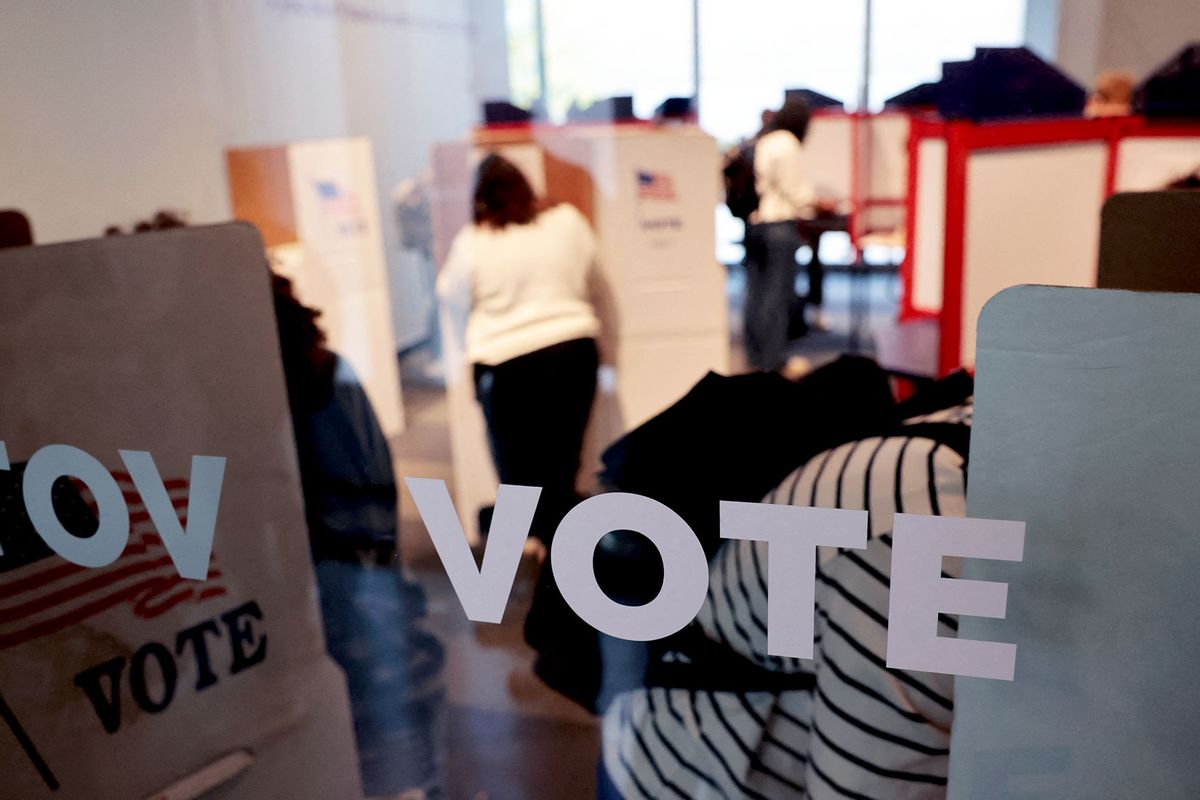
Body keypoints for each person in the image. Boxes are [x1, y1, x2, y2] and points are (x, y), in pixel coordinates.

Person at [437, 153, 602, 544]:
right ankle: (568, 562)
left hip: (507, 363)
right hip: (572, 351)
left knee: (519, 477)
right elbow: (593, 275)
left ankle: (540, 559)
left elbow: (450, 295)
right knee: (563, 466)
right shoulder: (567, 222)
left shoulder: (474, 240)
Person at [744, 98, 818, 371]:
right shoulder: (786, 142)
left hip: (754, 225)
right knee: (776, 297)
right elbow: (794, 189)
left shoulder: (763, 139)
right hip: (778, 226)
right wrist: (816, 200)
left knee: (756, 295)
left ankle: (755, 357)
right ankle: (772, 362)